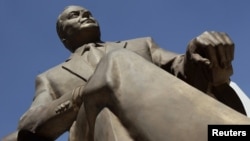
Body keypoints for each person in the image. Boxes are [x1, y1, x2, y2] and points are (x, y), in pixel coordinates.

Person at [2, 5, 249, 141]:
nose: (85, 15)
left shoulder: (142, 45)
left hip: (159, 119)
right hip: (91, 133)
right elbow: (30, 123)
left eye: (87, 13)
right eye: (74, 15)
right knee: (113, 69)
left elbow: (182, 69)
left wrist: (201, 54)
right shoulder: (50, 77)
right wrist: (82, 94)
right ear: (63, 35)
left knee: (116, 63)